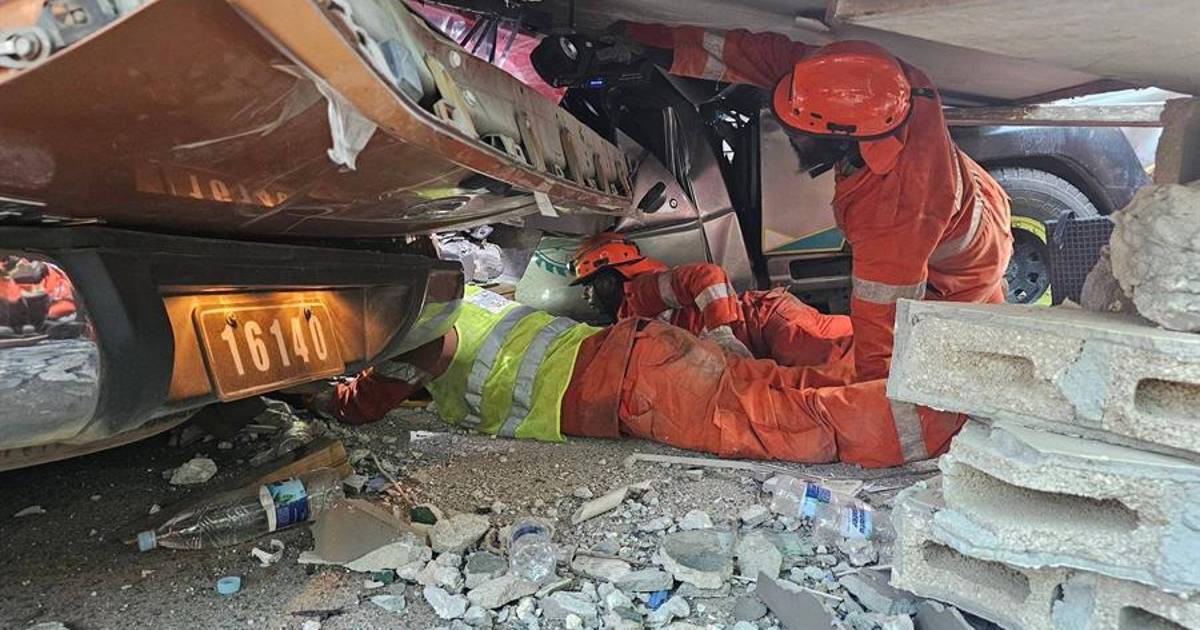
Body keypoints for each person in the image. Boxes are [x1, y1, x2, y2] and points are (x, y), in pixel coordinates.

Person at [590, 26, 1013, 381]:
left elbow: (882, 325)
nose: (790, 135)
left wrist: (875, 396)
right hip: (976, 204)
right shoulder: (859, 80)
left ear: (845, 139)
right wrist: (648, 40)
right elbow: (746, 53)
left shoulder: (896, 208)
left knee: (955, 364)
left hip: (963, 274)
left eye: (801, 133)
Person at [315, 287, 964, 468]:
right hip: (644, 355)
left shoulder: (420, 332)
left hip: (634, 386)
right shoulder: (472, 295)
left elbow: (363, 405)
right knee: (790, 392)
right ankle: (941, 371)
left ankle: (954, 411)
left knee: (794, 424)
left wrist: (322, 390)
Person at [570, 232, 853, 369]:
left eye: (588, 287)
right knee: (849, 352)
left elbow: (708, 275)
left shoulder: (642, 292)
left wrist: (722, 334)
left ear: (607, 282)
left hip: (768, 321)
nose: (586, 297)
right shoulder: (629, 310)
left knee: (833, 366)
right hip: (768, 323)